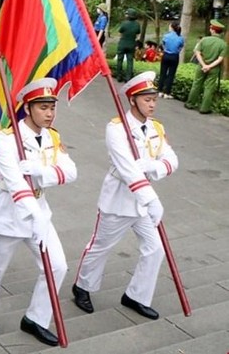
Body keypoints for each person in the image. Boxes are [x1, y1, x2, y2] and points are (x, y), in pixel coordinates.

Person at [0, 79, 77, 347]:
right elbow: (15, 182)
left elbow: (71, 172)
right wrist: (36, 215)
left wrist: (41, 171)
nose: (50, 113)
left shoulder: (53, 137)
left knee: (57, 266)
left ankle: (36, 319)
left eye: (52, 107)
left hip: (41, 209)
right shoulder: (7, 138)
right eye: (43, 108)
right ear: (27, 109)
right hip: (10, 212)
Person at [73, 71, 177, 321]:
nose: (152, 104)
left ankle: (137, 296)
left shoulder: (156, 128)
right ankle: (82, 287)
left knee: (155, 249)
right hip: (119, 199)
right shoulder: (116, 128)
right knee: (100, 247)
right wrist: (151, 198)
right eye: (146, 99)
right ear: (132, 100)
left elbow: (171, 159)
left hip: (143, 205)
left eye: (154, 99)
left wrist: (151, 166)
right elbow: (127, 169)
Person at [185, 20, 227, 114]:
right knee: (209, 88)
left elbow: (197, 52)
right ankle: (204, 108)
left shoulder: (204, 40)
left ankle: (190, 103)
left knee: (196, 84)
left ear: (212, 30)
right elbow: (220, 59)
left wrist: (204, 65)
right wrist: (209, 66)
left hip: (201, 66)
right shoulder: (223, 44)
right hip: (214, 69)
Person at [158, 21, 184, 99]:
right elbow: (181, 47)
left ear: (172, 27)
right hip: (174, 56)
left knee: (163, 73)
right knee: (171, 75)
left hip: (166, 55)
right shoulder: (180, 38)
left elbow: (163, 44)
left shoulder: (166, 36)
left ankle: (160, 91)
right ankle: (167, 92)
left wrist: (166, 49)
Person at [116, 8, 141, 82]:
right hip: (131, 44)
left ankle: (119, 76)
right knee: (130, 61)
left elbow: (120, 32)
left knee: (119, 60)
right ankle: (128, 77)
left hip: (122, 43)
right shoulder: (137, 24)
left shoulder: (124, 23)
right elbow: (137, 35)